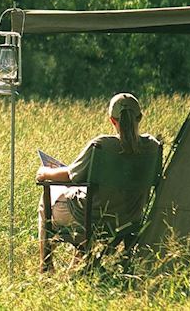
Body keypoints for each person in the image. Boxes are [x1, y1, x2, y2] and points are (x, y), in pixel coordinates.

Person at [36, 93, 161, 271]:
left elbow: (71, 176)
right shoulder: (153, 147)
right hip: (130, 218)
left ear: (112, 120)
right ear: (139, 117)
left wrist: (46, 172)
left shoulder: (102, 145)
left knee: (46, 201)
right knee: (81, 198)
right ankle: (76, 268)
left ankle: (45, 267)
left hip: (92, 218)